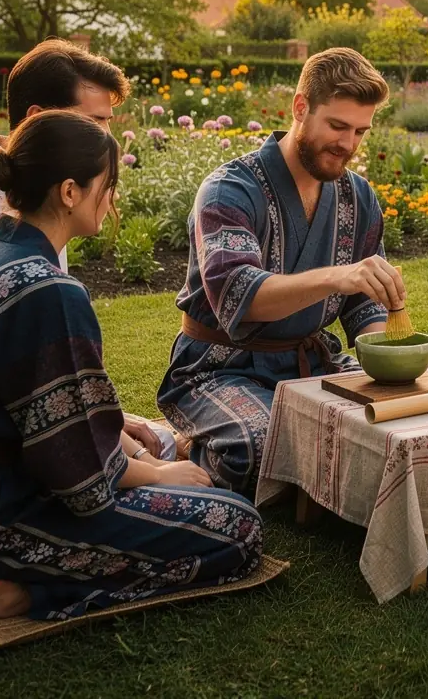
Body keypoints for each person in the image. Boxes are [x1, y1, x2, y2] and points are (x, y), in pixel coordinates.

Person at [0, 111, 262, 622]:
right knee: (236, 527)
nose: (112, 199)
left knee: (171, 461)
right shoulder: (46, 289)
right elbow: (80, 481)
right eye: (108, 185)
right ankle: (17, 593)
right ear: (70, 191)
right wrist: (160, 474)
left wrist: (151, 463)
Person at [157, 48, 404, 496]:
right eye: (337, 126)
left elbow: (364, 299)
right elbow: (241, 294)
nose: (349, 144)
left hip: (310, 364)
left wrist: (378, 353)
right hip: (220, 366)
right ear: (300, 107)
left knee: (388, 426)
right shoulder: (229, 189)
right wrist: (338, 276)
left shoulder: (359, 196)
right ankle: (177, 443)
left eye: (360, 132)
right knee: (262, 447)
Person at [0, 38, 175, 462]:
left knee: (168, 442)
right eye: (93, 122)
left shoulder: (40, 201)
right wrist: (137, 462)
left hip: (28, 421)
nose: (106, 139)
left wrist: (112, 420)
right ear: (38, 119)